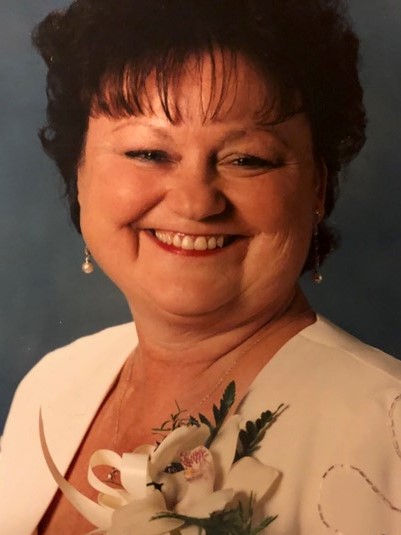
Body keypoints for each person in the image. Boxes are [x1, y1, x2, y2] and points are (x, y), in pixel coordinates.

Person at [1, 1, 400, 533]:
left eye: (246, 159)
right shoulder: (52, 386)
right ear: (80, 173)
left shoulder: (386, 435)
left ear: (317, 189)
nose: (196, 202)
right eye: (147, 153)